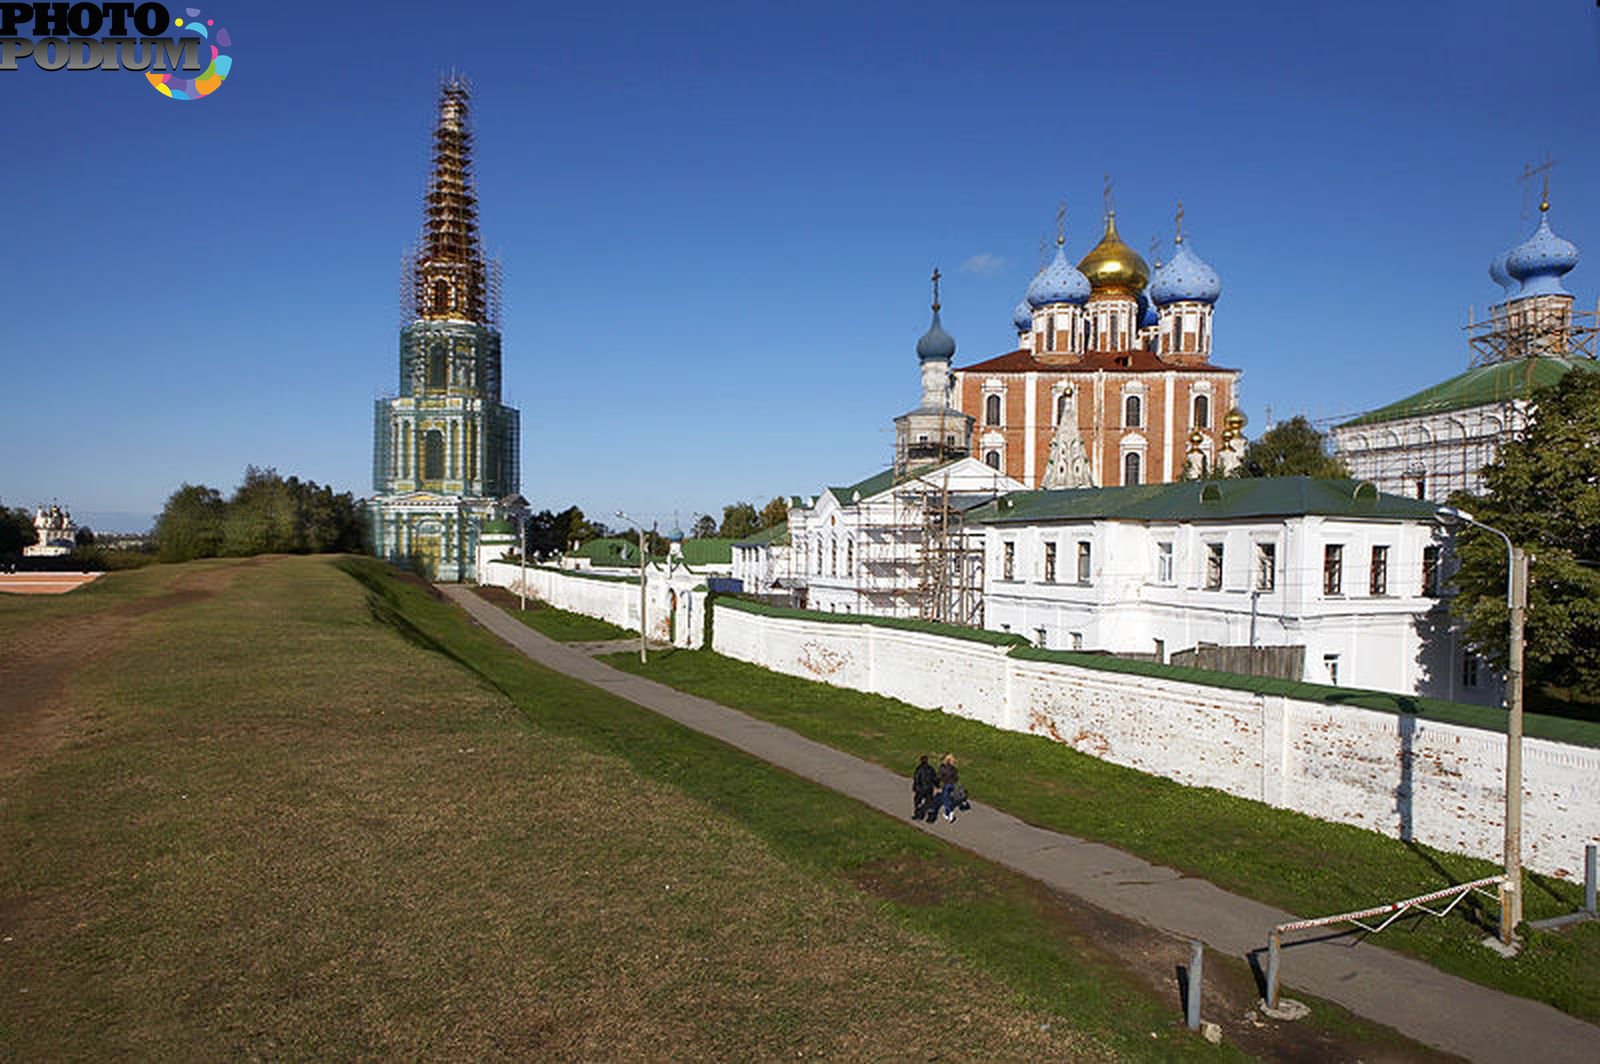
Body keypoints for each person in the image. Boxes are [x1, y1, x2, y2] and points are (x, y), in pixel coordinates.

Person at [912, 754, 938, 822]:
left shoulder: (919, 769)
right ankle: (930, 818)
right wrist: (937, 786)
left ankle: (918, 815)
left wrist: (915, 787)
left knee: (918, 802)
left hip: (920, 788)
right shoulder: (931, 769)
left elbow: (916, 778)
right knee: (929, 803)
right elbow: (934, 778)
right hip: (929, 788)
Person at [938, 754, 961, 822]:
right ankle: (947, 813)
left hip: (946, 784)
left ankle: (950, 811)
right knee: (949, 798)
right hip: (952, 784)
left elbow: (940, 776)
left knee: (945, 799)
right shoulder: (954, 768)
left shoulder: (943, 768)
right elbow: (956, 777)